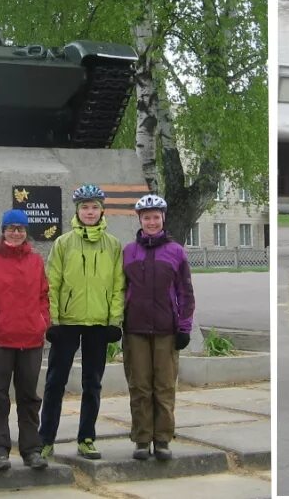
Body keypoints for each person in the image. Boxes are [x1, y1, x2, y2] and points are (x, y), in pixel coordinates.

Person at [38, 184, 124, 462]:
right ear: (77, 210)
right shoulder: (63, 243)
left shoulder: (113, 245)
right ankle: (45, 438)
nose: (90, 211)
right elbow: (52, 283)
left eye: (94, 207)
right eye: (85, 207)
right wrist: (52, 321)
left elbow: (118, 286)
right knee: (55, 382)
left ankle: (86, 437)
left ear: (102, 210)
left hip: (98, 324)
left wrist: (114, 320)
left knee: (93, 384)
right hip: (67, 323)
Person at [0, 208, 49, 471]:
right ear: (3, 231)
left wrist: (42, 321)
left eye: (20, 229)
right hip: (0, 340)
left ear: (26, 232)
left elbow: (44, 295)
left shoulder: (36, 261)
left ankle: (31, 449)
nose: (16, 233)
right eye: (11, 228)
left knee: (29, 397)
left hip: (31, 339)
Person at [121, 193, 194, 461]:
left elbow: (186, 292)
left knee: (163, 386)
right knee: (140, 386)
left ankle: (162, 439)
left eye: (155, 217)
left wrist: (184, 327)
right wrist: (119, 320)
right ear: (139, 220)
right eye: (146, 218)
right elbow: (121, 289)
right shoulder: (129, 251)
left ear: (163, 219)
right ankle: (142, 439)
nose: (151, 222)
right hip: (135, 329)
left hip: (166, 329)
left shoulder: (175, 252)